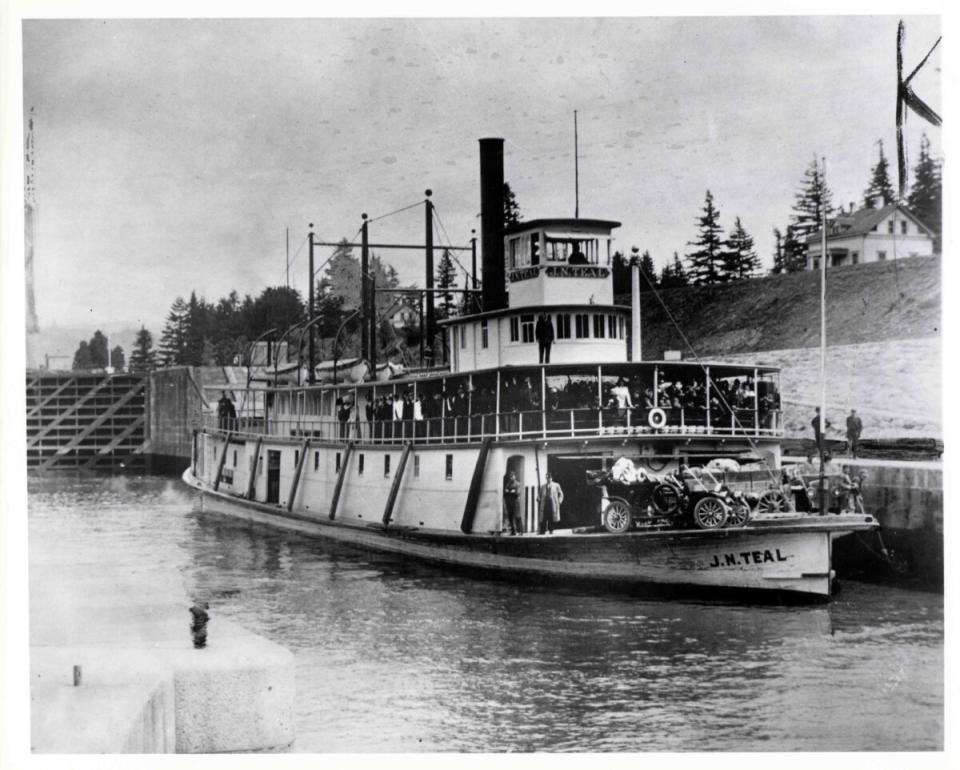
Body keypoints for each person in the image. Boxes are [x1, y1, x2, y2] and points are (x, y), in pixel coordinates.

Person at [503, 470, 522, 535]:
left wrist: (510, 491)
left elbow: (517, 493)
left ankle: (520, 531)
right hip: (509, 503)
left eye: (512, 476)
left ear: (515, 476)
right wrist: (511, 491)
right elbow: (505, 492)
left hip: (516, 503)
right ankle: (513, 531)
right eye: (510, 476)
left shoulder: (518, 484)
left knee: (517, 516)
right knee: (510, 517)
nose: (511, 478)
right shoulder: (508, 484)